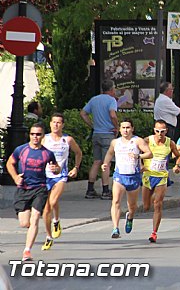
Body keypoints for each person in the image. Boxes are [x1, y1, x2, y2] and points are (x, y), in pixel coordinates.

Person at [7, 123, 61, 261]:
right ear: (29, 135)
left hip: (40, 188)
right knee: (25, 223)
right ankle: (33, 229)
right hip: (23, 189)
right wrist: (15, 177)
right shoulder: (21, 150)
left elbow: (56, 168)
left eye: (38, 134)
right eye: (33, 134)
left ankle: (27, 251)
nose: (35, 137)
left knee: (36, 216)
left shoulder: (47, 153)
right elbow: (9, 163)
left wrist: (56, 170)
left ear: (42, 136)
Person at [101, 119, 153, 239]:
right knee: (116, 201)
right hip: (119, 176)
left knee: (132, 205)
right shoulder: (115, 142)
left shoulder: (137, 141)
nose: (125, 130)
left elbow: (149, 153)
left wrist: (138, 156)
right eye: (123, 128)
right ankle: (115, 228)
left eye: (128, 127)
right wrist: (105, 163)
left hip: (133, 177)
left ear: (132, 129)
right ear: (119, 129)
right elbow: (109, 153)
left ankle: (130, 217)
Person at [41, 113, 83, 250]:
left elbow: (78, 153)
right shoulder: (44, 139)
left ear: (63, 125)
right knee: (48, 207)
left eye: (59, 123)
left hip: (61, 175)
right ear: (50, 124)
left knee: (52, 202)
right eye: (53, 122)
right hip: (45, 176)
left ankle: (56, 221)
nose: (56, 125)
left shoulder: (67, 140)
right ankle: (49, 235)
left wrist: (76, 168)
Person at [142, 119, 180, 243]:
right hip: (148, 176)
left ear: (166, 131)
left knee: (157, 204)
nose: (160, 133)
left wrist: (177, 166)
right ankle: (151, 197)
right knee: (146, 206)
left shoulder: (170, 143)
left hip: (162, 177)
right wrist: (139, 164)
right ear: (154, 130)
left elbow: (178, 156)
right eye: (157, 131)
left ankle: (154, 233)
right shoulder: (147, 141)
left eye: (162, 131)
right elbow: (135, 151)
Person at [80, 79, 119, 200]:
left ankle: (90, 189)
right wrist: (116, 127)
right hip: (107, 134)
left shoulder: (94, 99)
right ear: (112, 89)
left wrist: (92, 125)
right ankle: (105, 190)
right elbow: (112, 115)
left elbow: (83, 113)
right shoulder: (111, 100)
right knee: (106, 163)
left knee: (97, 161)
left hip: (96, 133)